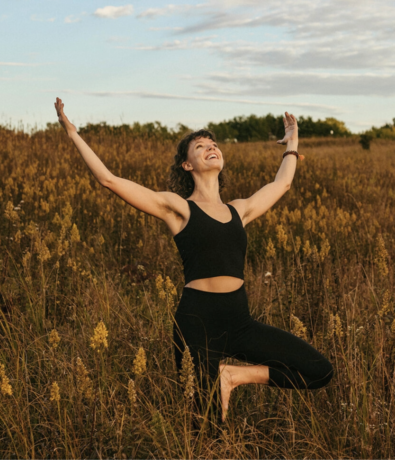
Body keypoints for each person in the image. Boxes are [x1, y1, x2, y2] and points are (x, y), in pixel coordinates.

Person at [54, 98, 333, 428]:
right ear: (187, 165)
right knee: (207, 427)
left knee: (319, 371)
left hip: (239, 320)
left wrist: (292, 143)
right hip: (197, 323)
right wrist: (72, 132)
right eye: (200, 146)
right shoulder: (179, 209)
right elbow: (110, 180)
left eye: (213, 144)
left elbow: (281, 184)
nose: (211, 147)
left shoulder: (238, 210)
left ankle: (232, 376)